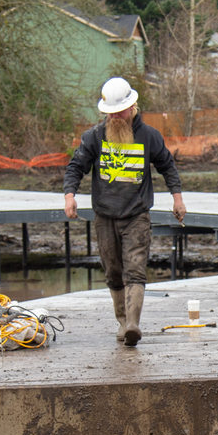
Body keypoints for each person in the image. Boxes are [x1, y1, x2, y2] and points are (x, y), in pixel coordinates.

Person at [63, 76, 187, 347]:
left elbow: (167, 166)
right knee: (113, 271)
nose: (115, 117)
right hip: (105, 215)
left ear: (132, 107)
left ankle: (133, 323)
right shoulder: (94, 137)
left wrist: (177, 199)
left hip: (136, 215)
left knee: (135, 268)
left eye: (119, 112)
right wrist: (70, 195)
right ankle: (122, 322)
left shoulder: (149, 137)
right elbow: (76, 167)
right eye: (110, 114)